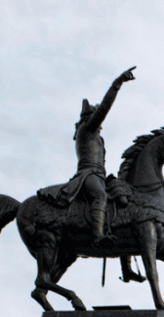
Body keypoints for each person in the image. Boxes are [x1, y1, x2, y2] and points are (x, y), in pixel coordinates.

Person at [53, 67, 136, 243]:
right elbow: (104, 108)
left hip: (100, 175)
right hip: (88, 175)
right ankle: (97, 236)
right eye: (97, 119)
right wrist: (117, 84)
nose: (101, 125)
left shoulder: (98, 137)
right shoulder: (87, 130)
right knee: (100, 196)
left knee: (122, 198)